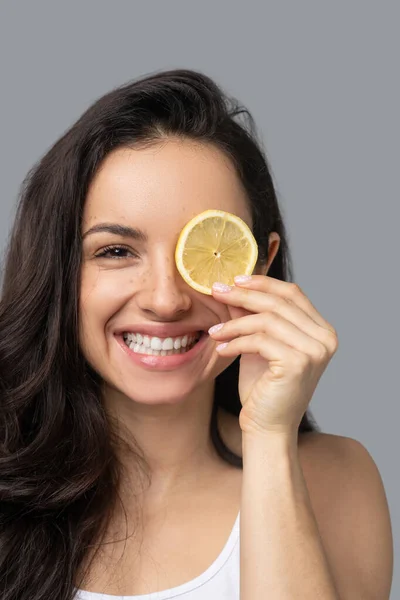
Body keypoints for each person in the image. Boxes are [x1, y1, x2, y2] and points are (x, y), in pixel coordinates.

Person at [0, 69, 393, 600]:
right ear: (61, 270)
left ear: (262, 264)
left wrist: (271, 439)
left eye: (204, 253)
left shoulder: (337, 480)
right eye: (116, 252)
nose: (166, 300)